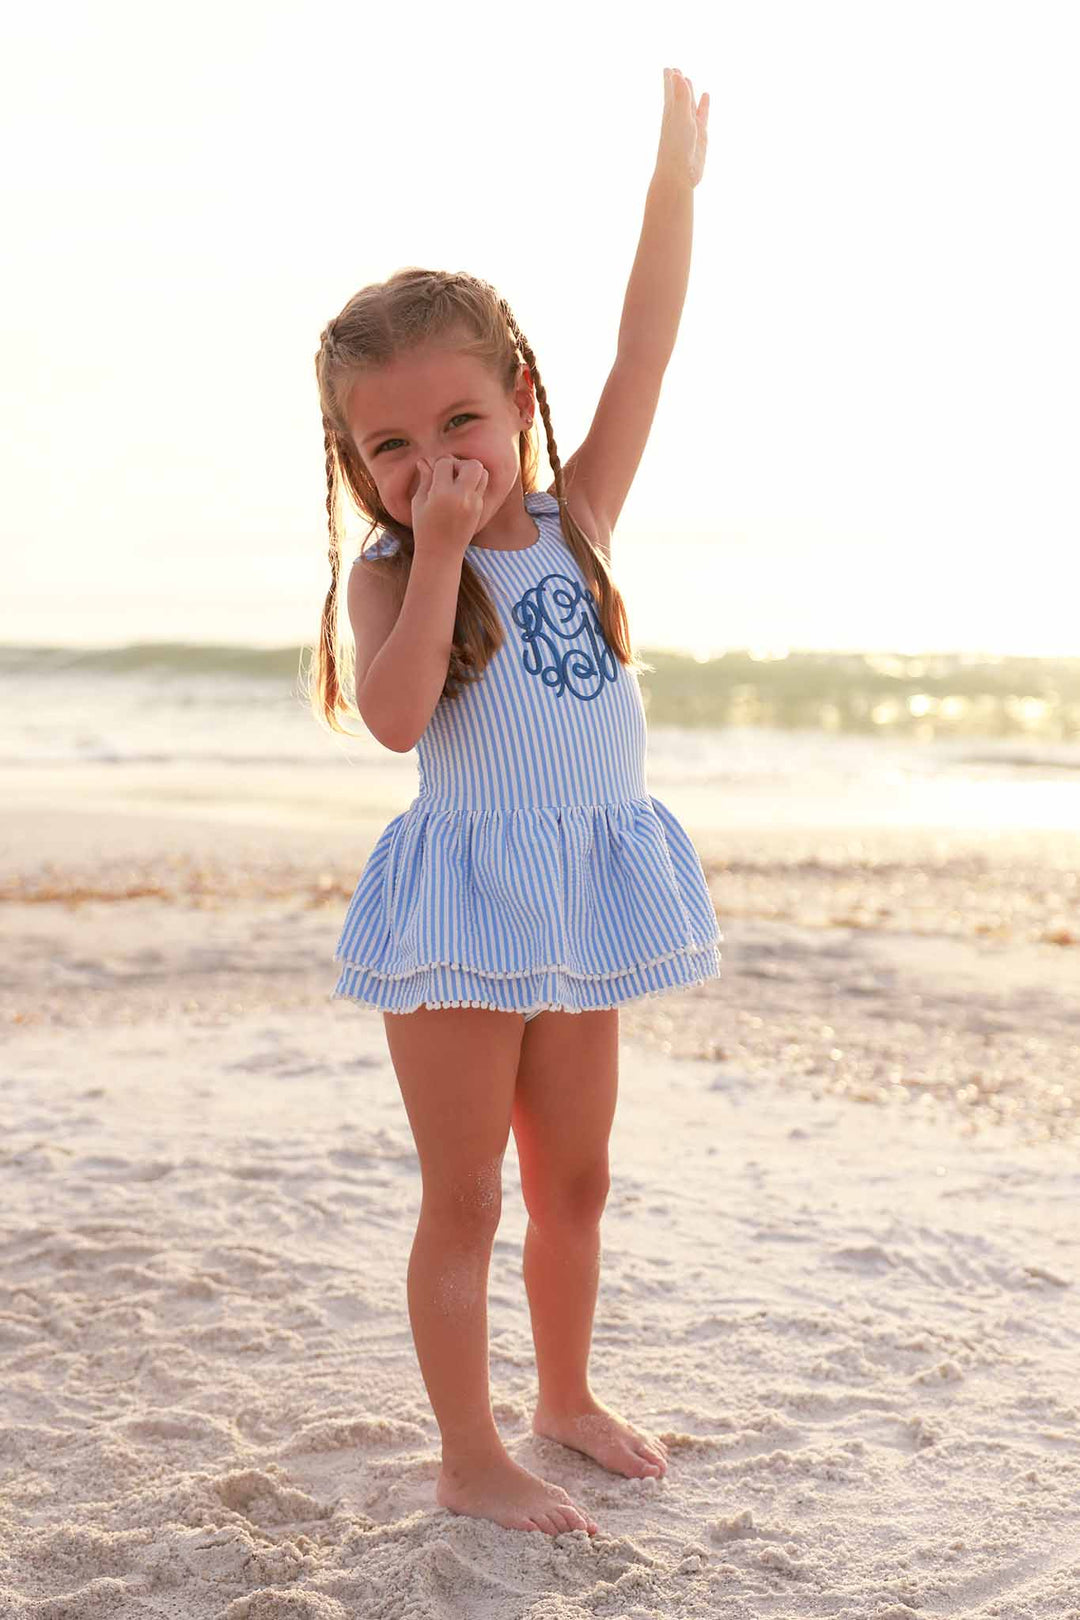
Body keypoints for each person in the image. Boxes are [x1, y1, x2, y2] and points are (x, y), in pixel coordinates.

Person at [308, 66, 713, 1539]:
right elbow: (401, 717)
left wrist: (673, 188)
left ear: (520, 399)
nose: (433, 466)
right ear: (357, 463)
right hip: (468, 903)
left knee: (579, 1179)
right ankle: (471, 1449)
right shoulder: (392, 572)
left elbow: (648, 348)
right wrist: (432, 554)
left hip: (585, 891)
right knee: (467, 1197)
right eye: (390, 449)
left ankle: (563, 1396)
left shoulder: (577, 518)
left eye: (460, 424)